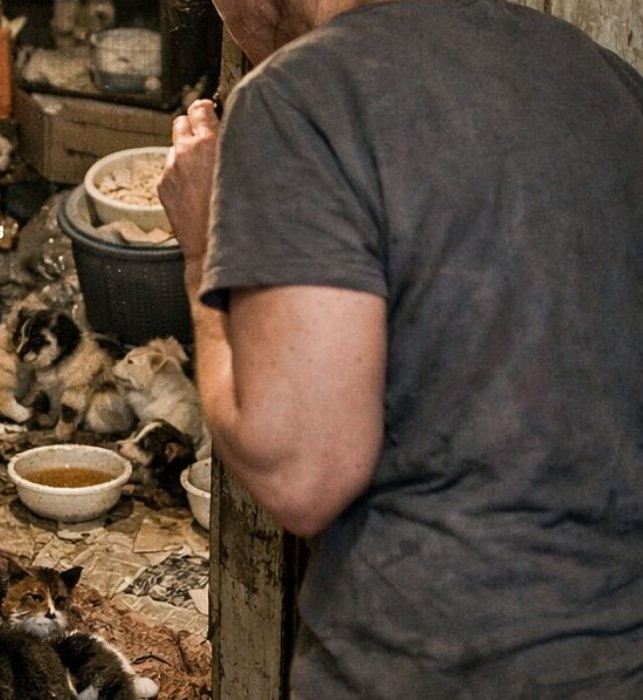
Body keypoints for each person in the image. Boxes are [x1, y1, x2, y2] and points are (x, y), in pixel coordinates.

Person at [159, 0, 643, 696]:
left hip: (424, 671)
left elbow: (301, 471)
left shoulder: (306, 93)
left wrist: (205, 248)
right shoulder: (607, 82)